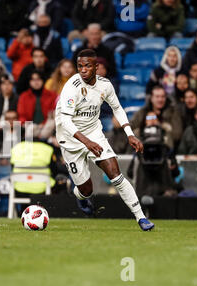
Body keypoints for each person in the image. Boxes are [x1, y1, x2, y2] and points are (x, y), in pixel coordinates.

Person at [55, 49, 154, 231]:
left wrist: (129, 133)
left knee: (116, 175)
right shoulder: (72, 87)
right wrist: (86, 142)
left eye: (87, 66)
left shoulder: (105, 85)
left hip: (94, 134)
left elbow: (117, 108)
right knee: (86, 191)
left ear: (96, 67)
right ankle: (78, 194)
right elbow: (66, 121)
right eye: (80, 66)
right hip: (70, 139)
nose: (83, 70)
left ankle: (141, 218)